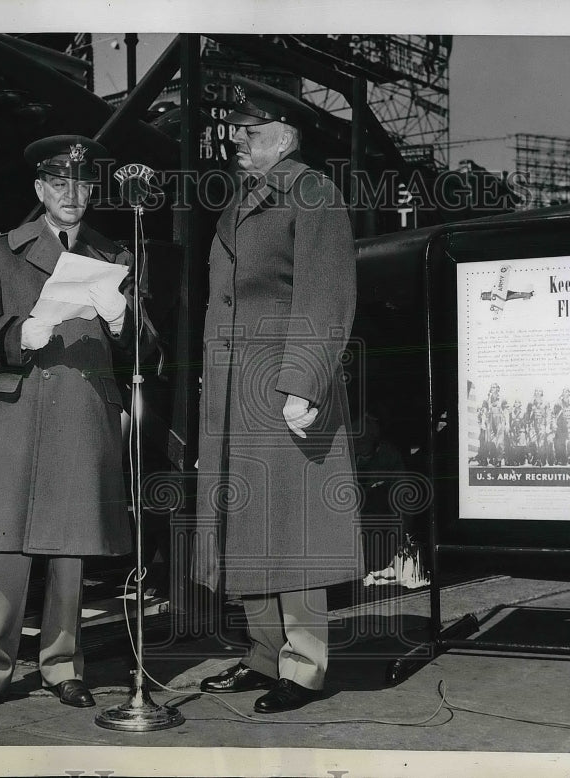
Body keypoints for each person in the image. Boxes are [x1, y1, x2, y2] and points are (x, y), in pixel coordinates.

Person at [0, 135, 155, 715]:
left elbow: (152, 349)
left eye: (83, 183)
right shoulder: (2, 251)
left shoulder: (115, 255)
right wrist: (16, 335)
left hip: (82, 410)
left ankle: (63, 664)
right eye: (59, 183)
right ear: (40, 190)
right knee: (4, 547)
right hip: (18, 409)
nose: (72, 194)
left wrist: (123, 319)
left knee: (71, 549)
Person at [192, 77, 362, 714]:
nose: (237, 141)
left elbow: (327, 295)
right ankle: (264, 656)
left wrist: (304, 383)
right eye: (237, 131)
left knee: (296, 530)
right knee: (250, 526)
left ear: (285, 137)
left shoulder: (312, 192)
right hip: (238, 392)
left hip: (284, 384)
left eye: (250, 132)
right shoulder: (243, 200)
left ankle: (305, 665)